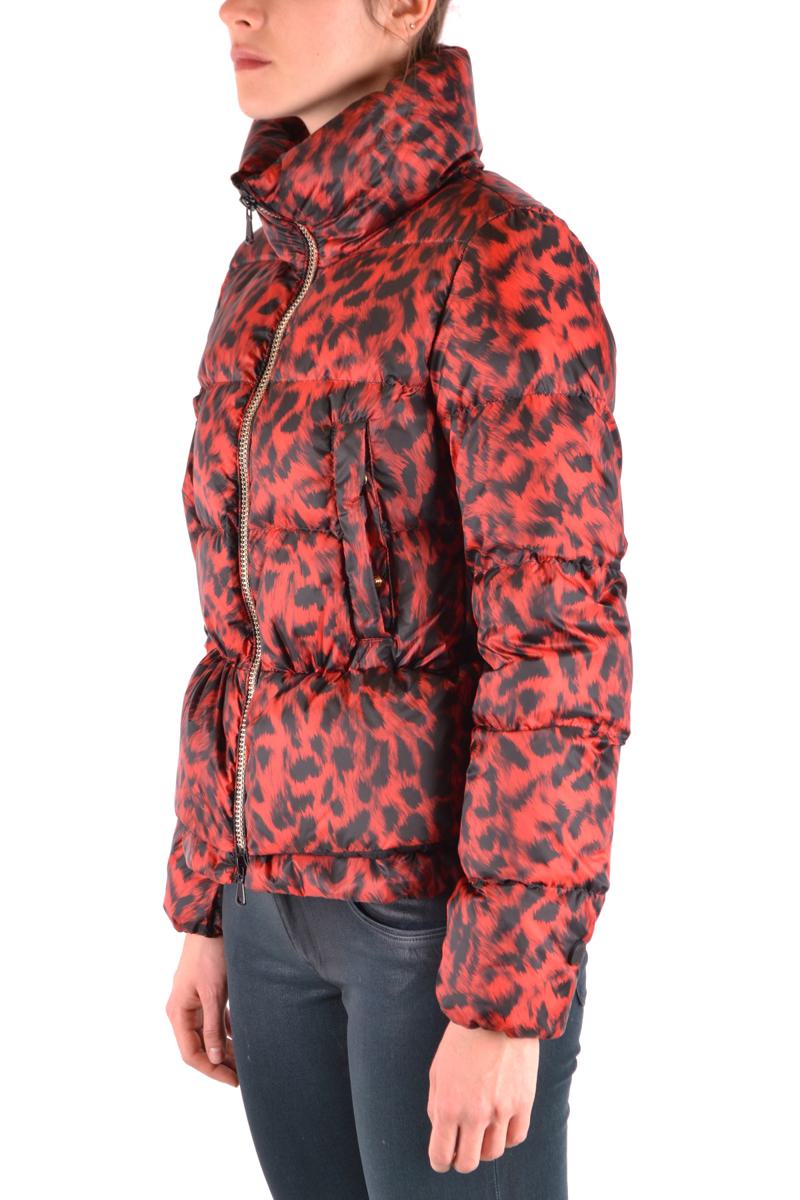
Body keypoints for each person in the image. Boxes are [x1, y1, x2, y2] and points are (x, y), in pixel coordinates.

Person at [163, 2, 633, 1197]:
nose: (236, 8)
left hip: (431, 937)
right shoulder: (267, 271)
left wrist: (504, 1000)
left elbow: (559, 648)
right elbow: (236, 631)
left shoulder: (502, 258)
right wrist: (210, 901)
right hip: (268, 912)